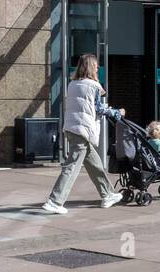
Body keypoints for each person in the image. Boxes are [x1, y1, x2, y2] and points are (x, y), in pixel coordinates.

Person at [42, 53, 125, 215]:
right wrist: (117, 112)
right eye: (96, 65)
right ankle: (55, 201)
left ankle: (107, 194)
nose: (98, 67)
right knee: (71, 166)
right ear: (91, 67)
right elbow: (99, 109)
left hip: (72, 128)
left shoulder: (72, 84)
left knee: (95, 165)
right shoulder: (93, 86)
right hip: (83, 130)